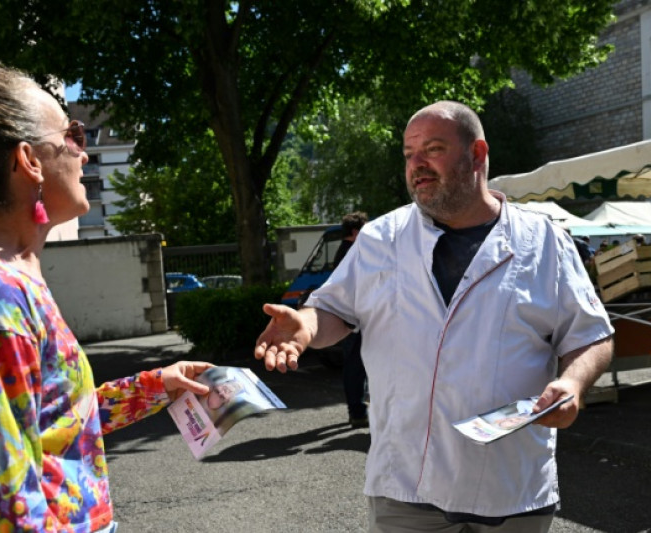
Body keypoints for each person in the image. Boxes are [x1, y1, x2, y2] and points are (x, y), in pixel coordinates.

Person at [0, 65, 214, 533]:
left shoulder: (3, 283)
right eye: (72, 135)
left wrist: (156, 386)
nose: (83, 152)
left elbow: (52, 420)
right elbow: (5, 515)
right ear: (28, 160)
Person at [254, 101, 614, 532]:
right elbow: (334, 309)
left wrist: (573, 384)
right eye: (409, 154)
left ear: (477, 154)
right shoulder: (381, 239)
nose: (417, 165)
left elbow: (591, 335)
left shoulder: (544, 242)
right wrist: (307, 324)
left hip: (511, 488)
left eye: (433, 149)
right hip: (406, 488)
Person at [333, 211, 370, 429]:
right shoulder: (352, 252)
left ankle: (356, 411)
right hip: (354, 318)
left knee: (354, 364)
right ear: (355, 232)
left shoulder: (344, 251)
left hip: (350, 317)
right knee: (355, 366)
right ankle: (357, 412)